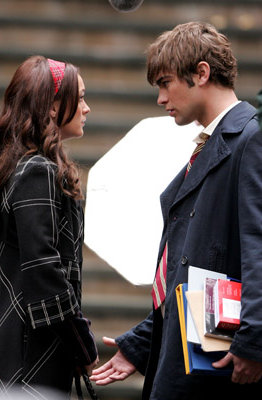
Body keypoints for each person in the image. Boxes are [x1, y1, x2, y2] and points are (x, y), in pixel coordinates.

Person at [91, 22, 262, 399]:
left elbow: (257, 249)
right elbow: (191, 267)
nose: (160, 98)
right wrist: (142, 342)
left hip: (223, 364)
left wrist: (253, 342)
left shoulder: (251, 139)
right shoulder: (214, 142)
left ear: (201, 73)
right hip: (196, 351)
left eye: (165, 83)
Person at [0, 56, 98, 399]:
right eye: (81, 98)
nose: (87, 109)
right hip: (26, 355)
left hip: (27, 345)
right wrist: (81, 344)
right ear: (53, 108)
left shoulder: (30, 166)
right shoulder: (36, 171)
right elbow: (43, 270)